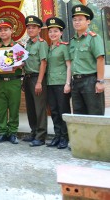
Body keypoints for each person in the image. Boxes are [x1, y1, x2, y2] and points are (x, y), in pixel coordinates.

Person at [69, 5, 106, 115]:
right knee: (79, 114)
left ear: (88, 21)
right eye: (74, 20)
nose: (77, 22)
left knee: (95, 114)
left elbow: (100, 59)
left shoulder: (94, 38)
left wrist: (100, 81)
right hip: (76, 82)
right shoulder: (72, 41)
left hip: (90, 81)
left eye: (80, 19)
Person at [0, 18, 22, 144]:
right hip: (0, 81)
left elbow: (24, 62)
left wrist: (21, 64)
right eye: (1, 30)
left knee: (14, 107)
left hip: (14, 81)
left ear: (11, 31)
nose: (3, 32)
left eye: (6, 29)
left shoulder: (18, 47)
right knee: (1, 107)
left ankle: (13, 132)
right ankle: (3, 131)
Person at [45, 17, 71, 149]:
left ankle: (65, 138)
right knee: (54, 111)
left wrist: (68, 83)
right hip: (50, 83)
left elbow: (69, 65)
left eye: (55, 31)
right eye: (50, 32)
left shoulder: (64, 47)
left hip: (61, 83)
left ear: (61, 33)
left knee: (63, 110)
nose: (52, 34)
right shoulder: (49, 48)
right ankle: (57, 136)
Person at [22, 16, 48, 147]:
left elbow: (43, 62)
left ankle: (41, 136)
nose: (31, 29)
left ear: (39, 29)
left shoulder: (41, 43)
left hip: (37, 79)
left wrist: (39, 82)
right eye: (29, 27)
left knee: (39, 108)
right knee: (31, 108)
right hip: (27, 78)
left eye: (33, 27)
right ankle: (33, 132)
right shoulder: (28, 44)